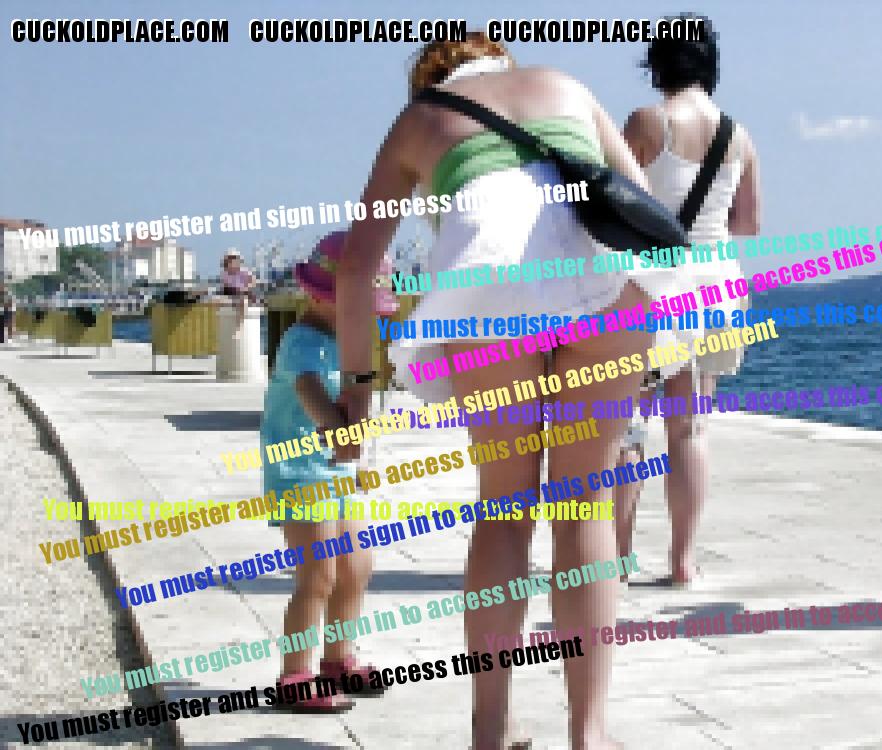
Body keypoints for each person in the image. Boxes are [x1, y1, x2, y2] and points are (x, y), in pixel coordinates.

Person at [332, 33, 699, 750]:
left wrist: (358, 389)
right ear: (502, 61)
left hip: (487, 293)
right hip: (606, 287)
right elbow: (647, 208)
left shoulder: (420, 118)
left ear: (432, 78)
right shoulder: (565, 84)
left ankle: (490, 729)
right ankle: (588, 733)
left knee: (504, 510)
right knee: (583, 504)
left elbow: (357, 268)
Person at [614, 17, 762, 585]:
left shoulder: (648, 122)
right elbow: (748, 224)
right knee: (691, 429)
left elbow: (614, 205)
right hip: (718, 287)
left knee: (630, 426)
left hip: (656, 288)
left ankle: (618, 559)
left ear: (657, 64)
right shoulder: (739, 136)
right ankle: (683, 560)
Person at [262, 231, 394, 712]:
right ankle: (296, 674)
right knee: (318, 575)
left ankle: (338, 659)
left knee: (356, 567)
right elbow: (311, 394)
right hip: (300, 472)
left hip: (338, 474)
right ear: (321, 296)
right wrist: (339, 431)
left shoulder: (346, 342)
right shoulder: (301, 342)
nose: (367, 319)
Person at [220, 250, 256, 316]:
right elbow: (226, 290)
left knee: (243, 300)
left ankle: (241, 320)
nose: (231, 263)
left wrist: (247, 289)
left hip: (245, 295)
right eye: (229, 261)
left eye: (233, 260)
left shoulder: (244, 272)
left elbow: (253, 282)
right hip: (234, 296)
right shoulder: (226, 275)